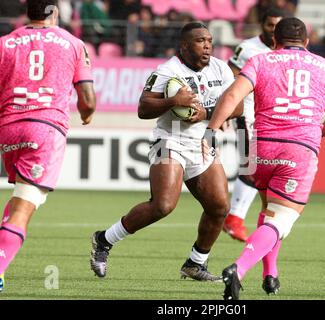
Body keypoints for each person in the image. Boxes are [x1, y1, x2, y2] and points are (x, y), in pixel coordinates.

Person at [203, 17, 325, 299]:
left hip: (260, 149)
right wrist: (313, 135)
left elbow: (232, 95)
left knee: (270, 212)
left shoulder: (260, 61)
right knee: (281, 220)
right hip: (298, 150)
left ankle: (271, 273)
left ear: (273, 41)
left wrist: (211, 131)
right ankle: (239, 269)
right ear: (307, 42)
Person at [90, 22, 242, 282]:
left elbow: (237, 106)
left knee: (219, 207)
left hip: (202, 144)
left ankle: (195, 263)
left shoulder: (220, 68)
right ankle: (104, 240)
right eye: (199, 41)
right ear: (184, 46)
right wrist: (173, 101)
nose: (207, 45)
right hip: (169, 140)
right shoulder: (168, 71)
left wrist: (205, 113)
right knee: (162, 205)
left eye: (208, 40)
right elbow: (143, 109)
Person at [0, 0, 96, 292]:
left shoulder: (5, 43)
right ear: (55, 11)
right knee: (26, 207)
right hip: (45, 128)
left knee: (19, 198)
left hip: (8, 129)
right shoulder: (73, 43)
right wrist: (87, 113)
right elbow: (88, 100)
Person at [225, 8, 286, 244]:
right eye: (270, 25)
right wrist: (231, 109)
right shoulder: (248, 48)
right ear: (262, 25)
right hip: (248, 115)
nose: (273, 30)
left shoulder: (287, 50)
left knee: (260, 169)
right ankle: (234, 219)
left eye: (277, 26)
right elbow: (230, 77)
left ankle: (237, 218)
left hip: (272, 118)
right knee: (252, 166)